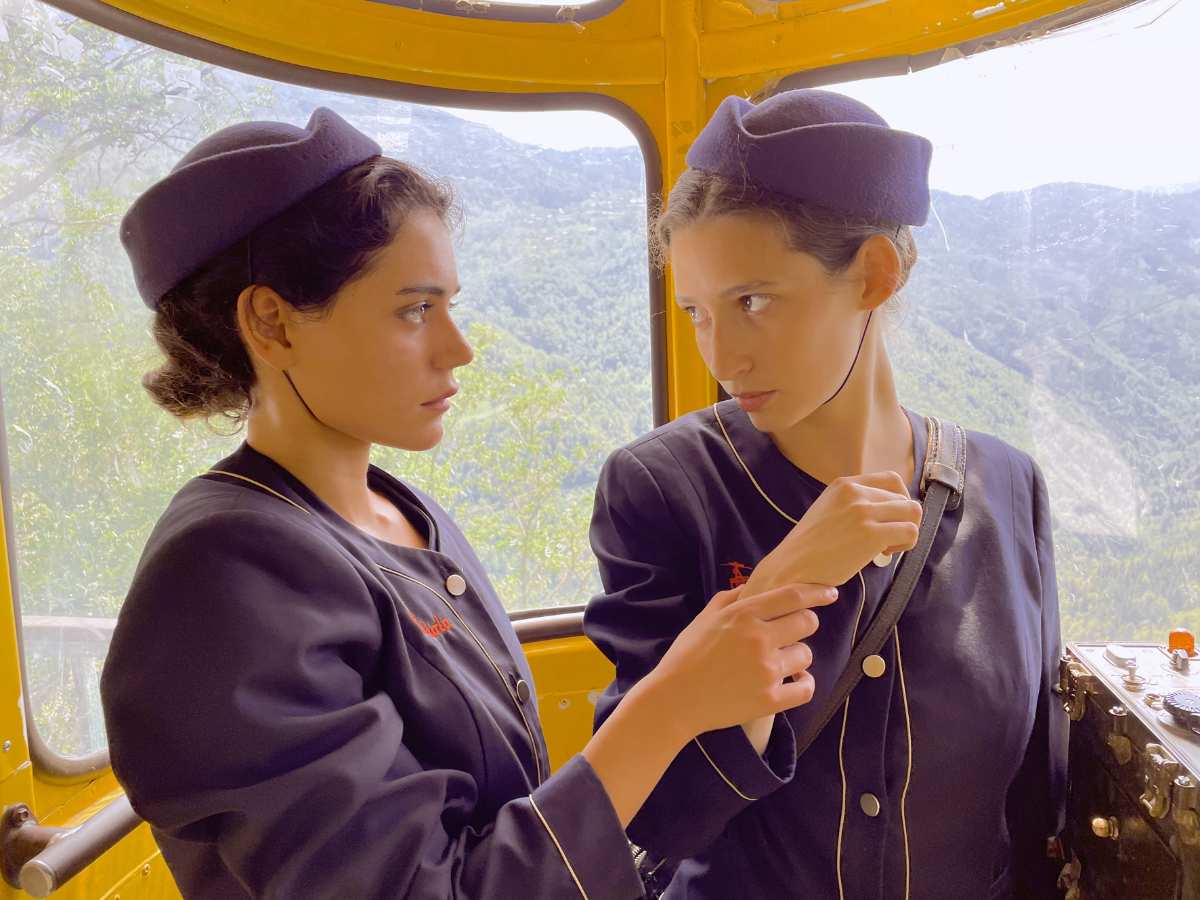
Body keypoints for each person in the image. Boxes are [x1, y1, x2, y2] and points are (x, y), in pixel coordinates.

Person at [99, 107, 836, 900]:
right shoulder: (227, 576)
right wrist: (669, 703)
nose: (458, 347)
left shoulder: (399, 514)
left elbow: (507, 825)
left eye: (450, 304)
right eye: (415, 309)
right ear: (271, 322)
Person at [584, 89, 1068, 900]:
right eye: (698, 313)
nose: (722, 357)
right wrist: (787, 584)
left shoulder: (1009, 488)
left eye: (754, 302)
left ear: (874, 274)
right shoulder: (663, 491)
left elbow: (1037, 802)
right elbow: (656, 814)